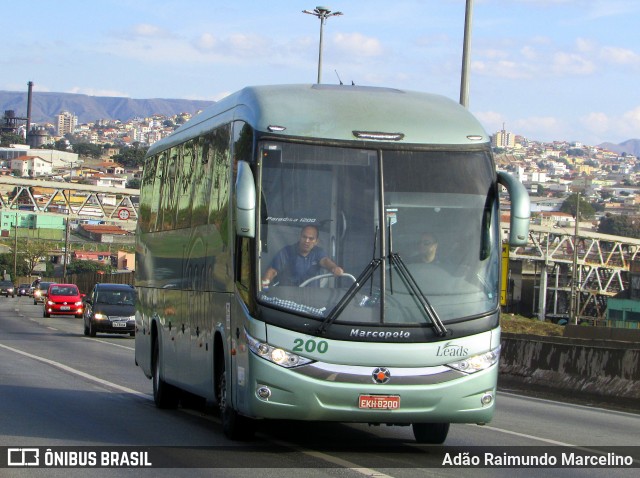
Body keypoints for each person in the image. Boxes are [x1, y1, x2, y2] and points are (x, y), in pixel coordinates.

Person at [261, 225, 344, 287]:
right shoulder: (287, 251)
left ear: (316, 241)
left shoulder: (318, 252)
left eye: (311, 239)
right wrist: (264, 288)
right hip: (289, 297)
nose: (307, 241)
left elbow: (325, 261)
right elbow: (272, 271)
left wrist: (334, 268)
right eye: (304, 237)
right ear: (299, 237)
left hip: (311, 299)